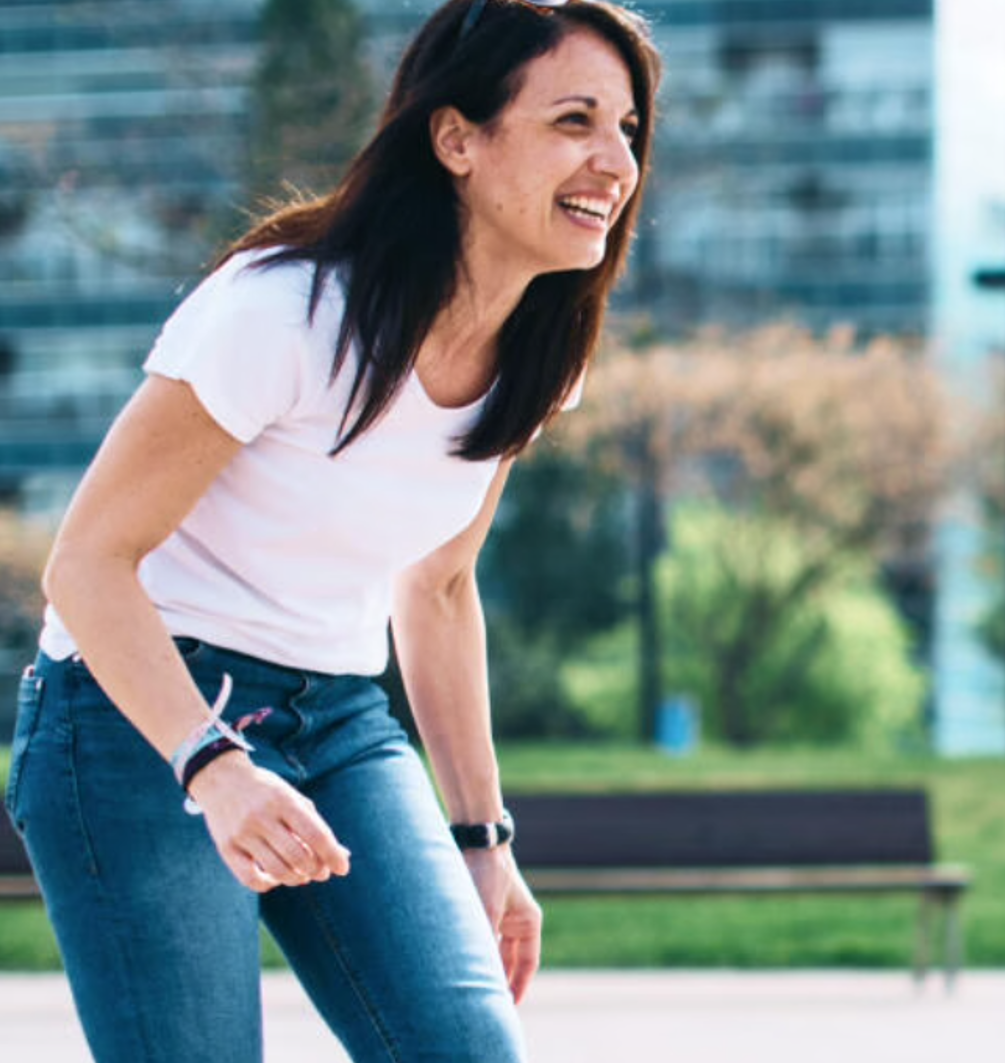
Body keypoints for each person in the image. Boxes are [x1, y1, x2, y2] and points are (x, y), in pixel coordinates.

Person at [4, 1, 659, 1059]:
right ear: (456, 139)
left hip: (339, 719)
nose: (614, 161)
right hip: (132, 722)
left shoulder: (537, 356)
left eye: (627, 129)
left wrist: (482, 837)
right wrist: (209, 763)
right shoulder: (285, 312)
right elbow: (86, 563)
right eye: (573, 120)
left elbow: (438, 586)